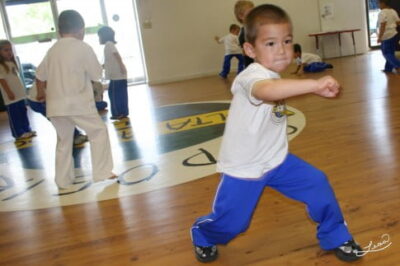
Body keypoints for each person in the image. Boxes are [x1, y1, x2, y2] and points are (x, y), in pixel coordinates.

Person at [191, 4, 362, 263]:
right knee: (233, 225)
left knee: (317, 183)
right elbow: (266, 91)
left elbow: (277, 87)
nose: (282, 49)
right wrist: (314, 85)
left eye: (287, 41)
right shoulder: (251, 77)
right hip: (245, 167)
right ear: (250, 50)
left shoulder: (274, 75)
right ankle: (202, 233)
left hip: (277, 159)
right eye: (270, 43)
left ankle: (335, 235)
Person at [35, 10, 116, 189]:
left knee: (64, 140)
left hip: (55, 106)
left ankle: (62, 180)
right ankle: (102, 172)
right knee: (98, 131)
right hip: (78, 103)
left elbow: (40, 75)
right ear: (81, 30)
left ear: (59, 30)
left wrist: (41, 93)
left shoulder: (52, 50)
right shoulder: (83, 47)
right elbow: (96, 74)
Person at [0, 40, 36, 140]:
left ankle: (26, 129)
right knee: (14, 114)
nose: (9, 52)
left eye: (10, 50)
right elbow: (2, 81)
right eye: (5, 50)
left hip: (19, 94)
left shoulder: (12, 62)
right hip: (11, 97)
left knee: (23, 112)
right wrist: (9, 92)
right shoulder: (1, 66)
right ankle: (18, 133)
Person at [97, 26, 129, 120]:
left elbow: (116, 55)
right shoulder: (110, 44)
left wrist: (121, 65)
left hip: (116, 76)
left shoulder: (108, 44)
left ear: (104, 36)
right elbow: (110, 60)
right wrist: (102, 66)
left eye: (99, 36)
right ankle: (123, 112)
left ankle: (117, 113)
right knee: (121, 94)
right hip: (119, 75)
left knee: (114, 95)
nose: (99, 39)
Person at [377, 0, 400, 73]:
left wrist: (380, 37)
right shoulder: (393, 11)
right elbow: (398, 22)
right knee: (391, 52)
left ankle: (398, 65)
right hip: (394, 34)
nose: (378, 5)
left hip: (386, 36)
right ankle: (388, 68)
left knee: (386, 53)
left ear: (383, 3)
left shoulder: (382, 12)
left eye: (379, 3)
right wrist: (392, 26)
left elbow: (382, 26)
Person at [234, 0, 255, 67]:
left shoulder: (254, 28)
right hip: (252, 66)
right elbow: (246, 52)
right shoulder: (244, 34)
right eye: (250, 12)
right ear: (241, 16)